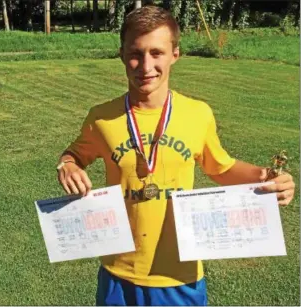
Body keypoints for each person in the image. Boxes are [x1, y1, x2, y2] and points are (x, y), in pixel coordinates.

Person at [56, 5, 295, 306]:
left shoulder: (197, 114)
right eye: (135, 53)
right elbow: (74, 155)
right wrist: (66, 164)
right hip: (118, 273)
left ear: (175, 55)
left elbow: (221, 167)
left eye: (156, 53)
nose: (145, 66)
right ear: (121, 55)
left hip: (179, 277)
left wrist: (266, 178)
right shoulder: (101, 118)